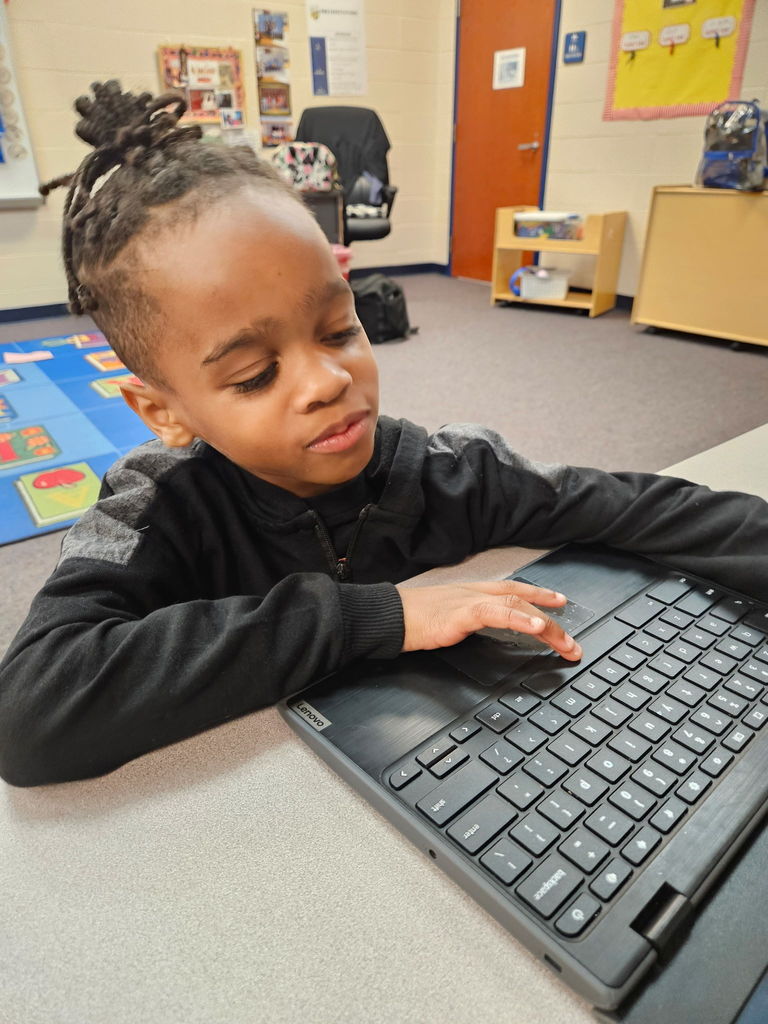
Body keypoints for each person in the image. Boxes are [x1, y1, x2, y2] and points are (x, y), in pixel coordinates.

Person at [0, 81, 766, 788]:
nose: (329, 381)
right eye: (255, 374)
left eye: (338, 329)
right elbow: (31, 711)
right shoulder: (156, 505)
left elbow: (627, 507)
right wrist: (381, 615)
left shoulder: (443, 473)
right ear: (164, 412)